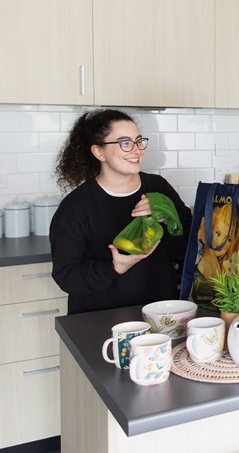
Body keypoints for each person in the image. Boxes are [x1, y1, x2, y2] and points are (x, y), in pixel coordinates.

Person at [50, 109, 192, 314]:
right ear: (99, 152)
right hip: (101, 319)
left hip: (159, 314)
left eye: (139, 141)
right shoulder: (76, 207)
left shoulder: (158, 188)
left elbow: (188, 249)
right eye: (125, 143)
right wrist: (114, 268)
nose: (137, 150)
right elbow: (67, 276)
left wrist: (168, 217)